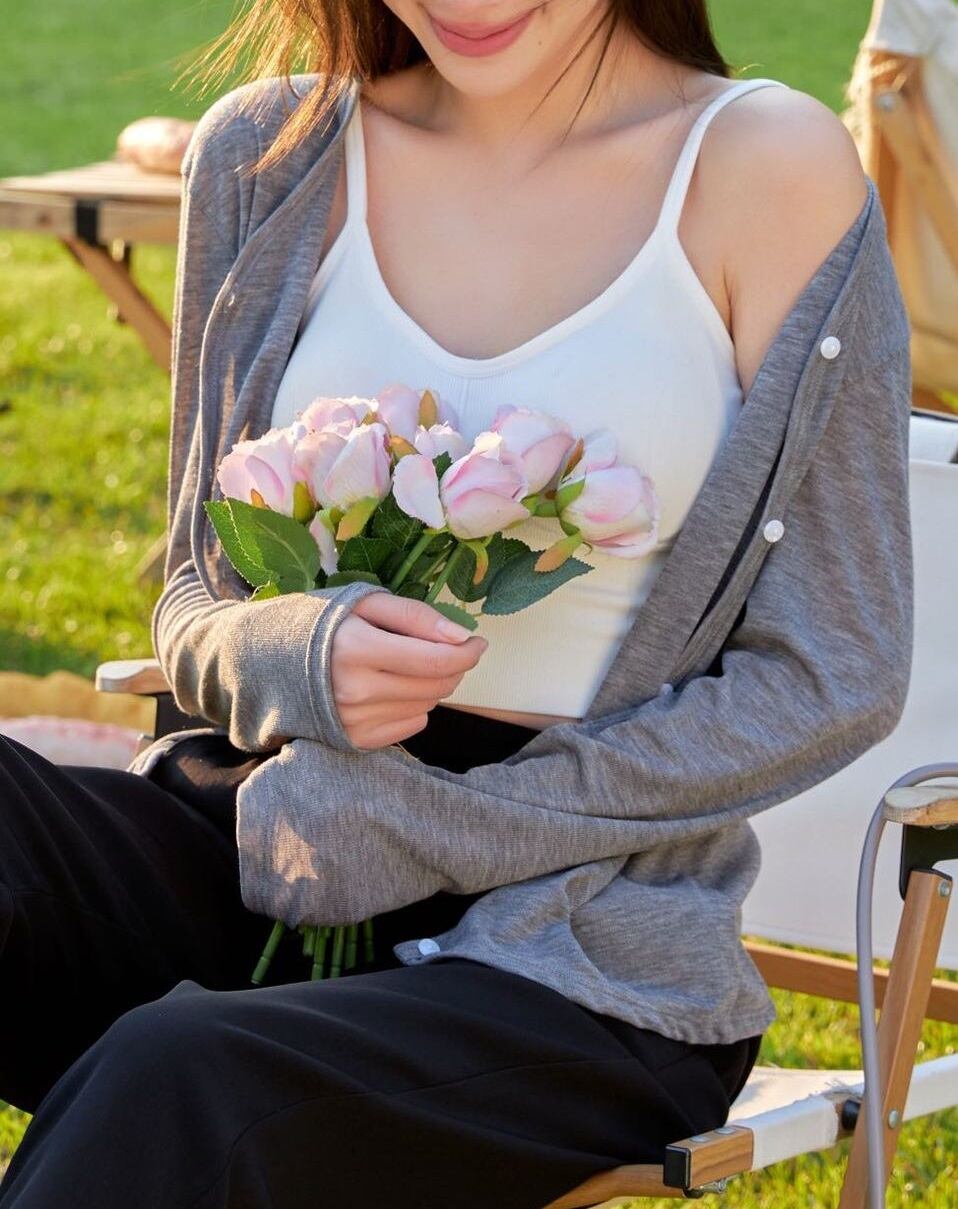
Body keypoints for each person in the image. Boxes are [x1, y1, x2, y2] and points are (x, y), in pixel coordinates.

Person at [0, 2, 913, 1206]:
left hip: (572, 943)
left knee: (177, 1070)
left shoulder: (764, 167)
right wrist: (290, 649)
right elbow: (194, 592)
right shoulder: (270, 152)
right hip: (274, 841)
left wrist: (450, 825)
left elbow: (834, 669)